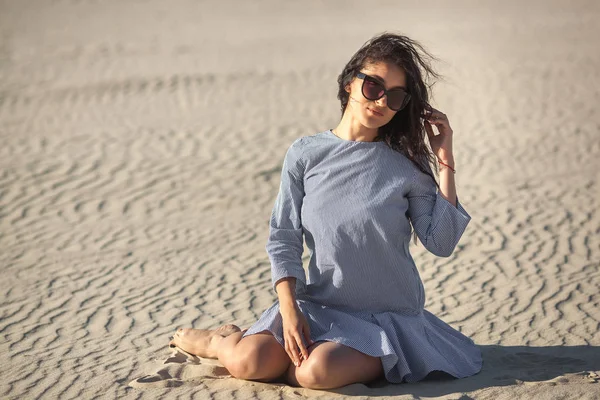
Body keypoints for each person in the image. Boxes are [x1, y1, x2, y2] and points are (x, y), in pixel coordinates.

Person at [168, 31, 483, 389]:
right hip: (319, 307)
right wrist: (289, 309)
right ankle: (218, 339)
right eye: (374, 87)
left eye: (395, 96)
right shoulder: (305, 153)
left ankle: (313, 358)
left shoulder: (406, 165)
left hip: (385, 318)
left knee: (314, 372)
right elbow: (284, 236)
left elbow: (441, 242)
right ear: (350, 83)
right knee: (249, 360)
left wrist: (444, 159)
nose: (381, 101)